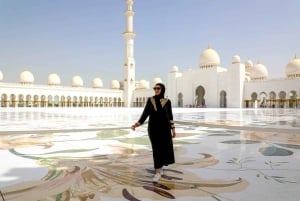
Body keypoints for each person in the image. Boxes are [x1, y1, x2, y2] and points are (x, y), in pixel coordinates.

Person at [131, 83, 176, 182]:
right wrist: (137, 124)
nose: (156, 90)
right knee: (156, 149)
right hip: (153, 129)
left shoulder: (167, 102)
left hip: (165, 129)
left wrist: (173, 129)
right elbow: (145, 114)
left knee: (164, 149)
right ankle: (158, 172)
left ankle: (160, 166)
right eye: (155, 88)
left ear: (162, 89)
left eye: (158, 88)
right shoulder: (150, 100)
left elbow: (170, 116)